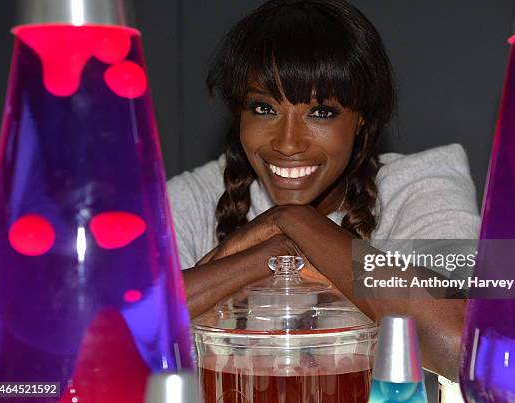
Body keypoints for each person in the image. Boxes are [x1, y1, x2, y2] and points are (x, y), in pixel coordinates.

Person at [167, 0, 480, 381]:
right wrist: (280, 249)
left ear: (361, 117)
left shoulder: (419, 185)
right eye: (264, 109)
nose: (287, 142)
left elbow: (461, 342)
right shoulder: (193, 198)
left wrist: (292, 220)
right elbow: (114, 334)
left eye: (321, 112)